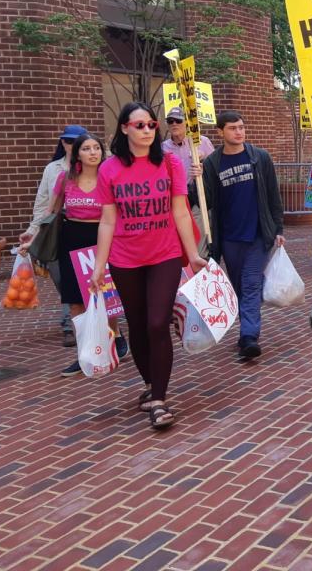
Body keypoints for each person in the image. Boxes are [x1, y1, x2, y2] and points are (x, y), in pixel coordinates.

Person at [90, 102, 206, 430]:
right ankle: (149, 383)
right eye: (138, 125)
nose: (146, 130)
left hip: (165, 255)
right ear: (124, 128)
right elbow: (108, 221)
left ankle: (159, 398)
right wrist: (99, 266)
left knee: (157, 323)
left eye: (151, 125)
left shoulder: (169, 164)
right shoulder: (109, 169)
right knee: (139, 325)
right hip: (125, 260)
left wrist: (192, 253)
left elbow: (181, 212)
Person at [20, 133, 129, 376]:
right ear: (77, 153)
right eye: (87, 148)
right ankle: (85, 354)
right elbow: (51, 213)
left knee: (105, 295)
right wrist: (32, 235)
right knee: (75, 299)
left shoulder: (110, 177)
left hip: (102, 238)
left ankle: (114, 337)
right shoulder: (65, 178)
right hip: (71, 238)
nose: (93, 152)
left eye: (96, 148)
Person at [194, 110, 285, 359]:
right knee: (239, 287)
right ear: (220, 131)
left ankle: (249, 336)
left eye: (242, 127)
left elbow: (273, 196)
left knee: (251, 283)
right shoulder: (212, 163)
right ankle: (247, 325)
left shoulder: (260, 158)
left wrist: (278, 228)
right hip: (230, 238)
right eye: (233, 128)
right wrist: (196, 180)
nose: (239, 132)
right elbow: (205, 200)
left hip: (257, 234)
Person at [19, 124, 89, 347]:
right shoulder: (52, 170)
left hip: (86, 231)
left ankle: (73, 323)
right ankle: (73, 317)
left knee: (86, 278)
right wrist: (32, 233)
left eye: (75, 141)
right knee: (62, 277)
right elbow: (43, 206)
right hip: (57, 232)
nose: (70, 145)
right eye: (67, 141)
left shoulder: (94, 166)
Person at [162, 106, 214, 256]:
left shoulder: (201, 142)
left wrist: (203, 168)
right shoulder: (163, 148)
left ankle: (200, 267)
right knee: (178, 240)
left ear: (186, 123)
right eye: (170, 121)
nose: (174, 124)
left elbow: (215, 168)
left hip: (197, 196)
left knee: (198, 240)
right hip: (175, 198)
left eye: (178, 120)